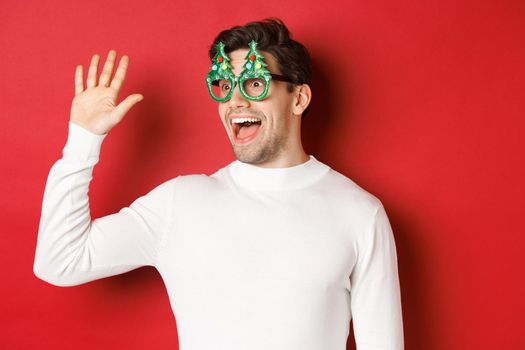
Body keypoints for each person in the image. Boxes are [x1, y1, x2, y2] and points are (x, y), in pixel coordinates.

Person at [33, 18, 404, 350]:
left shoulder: (359, 213)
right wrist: (82, 141)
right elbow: (61, 262)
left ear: (299, 98)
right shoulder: (180, 202)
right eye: (223, 85)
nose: (235, 100)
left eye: (255, 83)